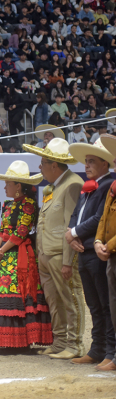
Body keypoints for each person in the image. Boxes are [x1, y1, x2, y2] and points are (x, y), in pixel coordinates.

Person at [0, 161, 53, 349]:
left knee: (18, 292)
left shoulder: (29, 205)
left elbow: (21, 232)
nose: (4, 186)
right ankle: (0, 339)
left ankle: (19, 340)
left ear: (18, 186)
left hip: (19, 255)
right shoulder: (7, 205)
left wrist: (2, 249)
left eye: (8, 183)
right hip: (5, 253)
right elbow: (2, 229)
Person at [22, 138, 85, 360]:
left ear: (54, 165)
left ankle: (75, 344)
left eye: (42, 163)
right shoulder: (53, 186)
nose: (40, 168)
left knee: (70, 298)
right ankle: (59, 342)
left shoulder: (73, 184)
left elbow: (72, 224)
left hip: (60, 254)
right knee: (54, 300)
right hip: (47, 254)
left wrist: (68, 260)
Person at [65, 138, 115, 367]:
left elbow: (99, 220)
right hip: (86, 250)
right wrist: (73, 234)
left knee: (105, 304)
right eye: (85, 161)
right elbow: (77, 214)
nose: (86, 165)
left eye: (91, 161)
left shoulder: (109, 184)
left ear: (105, 163)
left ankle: (108, 351)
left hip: (99, 251)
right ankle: (97, 349)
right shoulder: (90, 186)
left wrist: (74, 233)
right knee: (94, 304)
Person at [92, 134, 116, 371]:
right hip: (110, 253)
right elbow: (104, 219)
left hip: (111, 250)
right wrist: (99, 240)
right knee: (112, 304)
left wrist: (108, 244)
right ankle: (113, 353)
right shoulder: (113, 186)